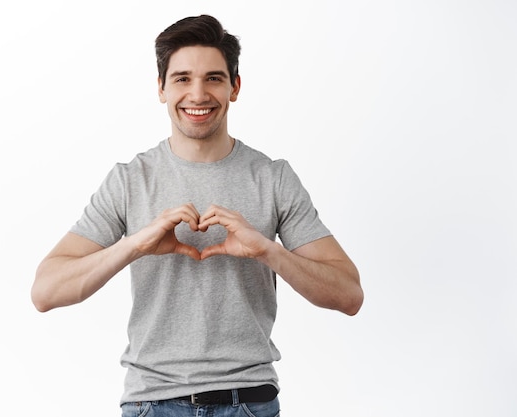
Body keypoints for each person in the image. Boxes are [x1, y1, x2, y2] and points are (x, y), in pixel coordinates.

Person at [31, 14, 363, 417]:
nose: (198, 94)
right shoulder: (129, 181)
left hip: (249, 401)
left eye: (214, 78)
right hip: (152, 402)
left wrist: (266, 250)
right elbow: (46, 291)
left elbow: (349, 295)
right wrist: (135, 244)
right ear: (161, 88)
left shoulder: (273, 178)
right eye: (183, 78)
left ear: (235, 87)